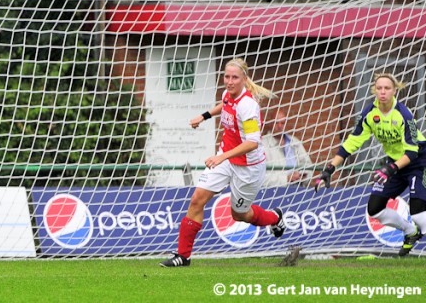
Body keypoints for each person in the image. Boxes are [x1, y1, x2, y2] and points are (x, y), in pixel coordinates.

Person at [160, 58, 286, 267]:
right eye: (226, 76)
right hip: (227, 157)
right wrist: (204, 116)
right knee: (197, 199)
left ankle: (274, 217)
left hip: (248, 167)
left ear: (244, 79)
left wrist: (221, 157)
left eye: (234, 77)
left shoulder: (248, 106)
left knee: (239, 215)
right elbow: (225, 104)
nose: (229, 81)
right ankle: (183, 256)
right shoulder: (228, 94)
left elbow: (253, 142)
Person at [314, 73, 425, 256]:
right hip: (394, 165)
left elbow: (412, 151)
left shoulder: (404, 114)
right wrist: (329, 169)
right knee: (374, 209)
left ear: (394, 91)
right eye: (379, 88)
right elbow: (352, 142)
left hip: (418, 162)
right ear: (374, 90)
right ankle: (410, 232)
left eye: (387, 88)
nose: (383, 92)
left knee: (419, 215)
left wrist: (391, 168)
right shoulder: (369, 113)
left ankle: (417, 227)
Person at [262, 110, 313, 187]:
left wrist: (302, 175)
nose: (279, 126)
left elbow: (308, 165)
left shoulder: (295, 142)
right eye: (276, 123)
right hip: (273, 193)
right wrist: (286, 179)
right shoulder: (262, 144)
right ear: (270, 123)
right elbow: (259, 177)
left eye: (282, 123)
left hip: (298, 189)